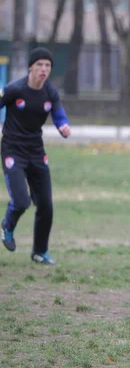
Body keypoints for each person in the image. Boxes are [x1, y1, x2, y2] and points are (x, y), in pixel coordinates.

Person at [0, 47, 71, 264]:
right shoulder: (14, 89)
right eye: (39, 64)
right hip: (12, 150)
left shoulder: (50, 92)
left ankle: (39, 251)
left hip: (36, 152)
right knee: (22, 201)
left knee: (46, 205)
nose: (44, 69)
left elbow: (58, 114)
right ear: (31, 67)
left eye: (48, 65)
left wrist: (63, 125)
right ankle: (7, 225)